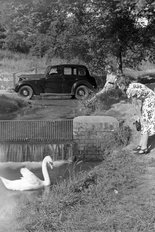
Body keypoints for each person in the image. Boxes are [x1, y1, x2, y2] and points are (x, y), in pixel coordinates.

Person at [118, 80, 155, 154]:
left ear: (123, 84)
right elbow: (143, 94)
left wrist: (140, 117)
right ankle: (140, 145)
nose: (119, 88)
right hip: (148, 99)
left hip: (151, 101)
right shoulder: (131, 85)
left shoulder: (130, 90)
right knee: (143, 122)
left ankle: (144, 148)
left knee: (145, 123)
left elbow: (135, 105)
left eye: (119, 85)